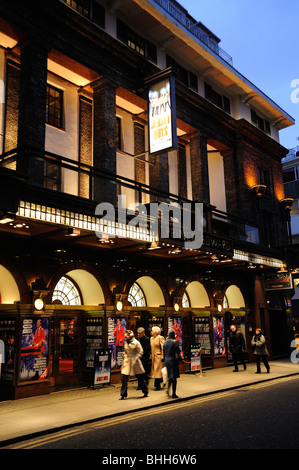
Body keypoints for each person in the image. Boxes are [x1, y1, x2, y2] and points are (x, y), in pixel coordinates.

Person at [119, 330, 148, 400]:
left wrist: (136, 358)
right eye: (126, 336)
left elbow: (140, 352)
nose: (126, 337)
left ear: (131, 336)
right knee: (124, 378)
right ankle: (123, 394)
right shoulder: (126, 342)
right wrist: (124, 356)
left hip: (135, 362)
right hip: (127, 361)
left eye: (128, 336)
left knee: (140, 378)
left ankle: (145, 391)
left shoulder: (136, 342)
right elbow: (125, 351)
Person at [163, 329, 182, 398]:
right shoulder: (175, 342)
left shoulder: (165, 342)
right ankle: (174, 393)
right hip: (173, 361)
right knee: (174, 377)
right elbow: (178, 351)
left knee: (170, 376)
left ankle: (168, 389)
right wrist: (181, 359)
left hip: (167, 361)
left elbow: (164, 353)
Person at [150, 326, 165, 390]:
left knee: (158, 371)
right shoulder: (151, 338)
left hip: (159, 357)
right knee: (155, 371)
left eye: (152, 331)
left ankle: (157, 385)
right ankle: (159, 383)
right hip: (153, 357)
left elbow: (163, 347)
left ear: (155, 332)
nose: (151, 332)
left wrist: (163, 356)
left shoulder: (160, 338)